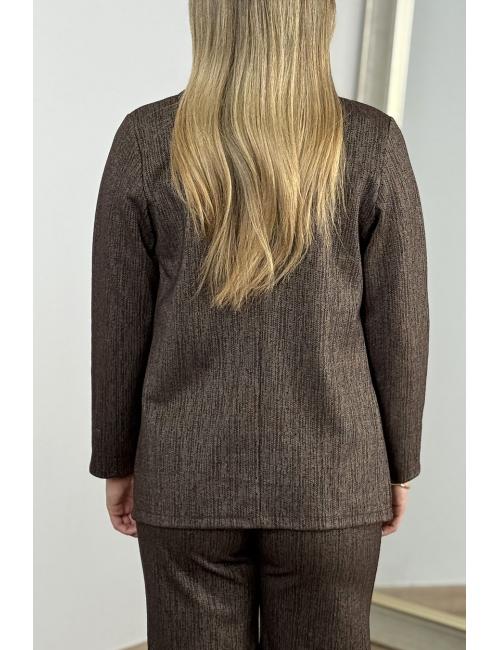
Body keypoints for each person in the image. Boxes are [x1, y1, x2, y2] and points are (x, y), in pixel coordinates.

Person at [89, 1, 429, 648]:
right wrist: (398, 462)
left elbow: (118, 327)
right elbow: (401, 328)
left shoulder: (144, 139)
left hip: (185, 476)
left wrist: (117, 458)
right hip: (332, 477)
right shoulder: (373, 142)